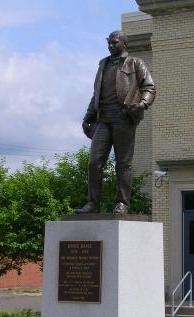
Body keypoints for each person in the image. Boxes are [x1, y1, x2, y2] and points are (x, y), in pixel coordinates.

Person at [76, 31, 156, 214]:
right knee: (94, 162)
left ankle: (122, 203)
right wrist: (88, 117)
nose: (111, 46)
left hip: (124, 118)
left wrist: (143, 104)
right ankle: (93, 204)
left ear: (124, 44)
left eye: (114, 42)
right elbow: (97, 94)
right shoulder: (103, 64)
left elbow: (149, 87)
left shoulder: (135, 63)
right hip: (103, 120)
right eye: (109, 43)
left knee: (123, 164)